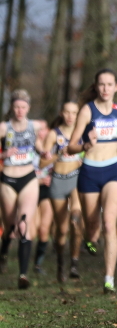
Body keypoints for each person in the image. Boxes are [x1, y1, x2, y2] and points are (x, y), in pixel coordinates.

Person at [67, 68, 117, 294]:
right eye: (101, 84)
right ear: (96, 86)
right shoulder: (86, 111)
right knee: (92, 226)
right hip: (89, 173)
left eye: (109, 84)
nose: (105, 88)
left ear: (116, 87)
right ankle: (90, 240)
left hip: (112, 171)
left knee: (109, 224)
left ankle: (109, 279)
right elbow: (70, 146)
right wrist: (84, 146)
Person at [0, 89, 47, 288]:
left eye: (23, 107)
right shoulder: (3, 127)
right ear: (12, 107)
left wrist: (43, 150)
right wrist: (3, 155)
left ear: (28, 108)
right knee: (10, 226)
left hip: (29, 178)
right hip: (8, 179)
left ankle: (23, 275)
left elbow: (39, 142)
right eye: (17, 106)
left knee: (23, 225)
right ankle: (3, 253)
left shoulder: (35, 125)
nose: (20, 110)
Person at [40, 101, 84, 284]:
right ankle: (60, 263)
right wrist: (58, 154)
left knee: (75, 220)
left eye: (74, 112)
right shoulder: (53, 134)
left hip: (76, 179)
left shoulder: (81, 133)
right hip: (58, 181)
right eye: (67, 112)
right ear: (62, 113)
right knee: (62, 230)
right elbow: (42, 164)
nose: (70, 116)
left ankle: (74, 263)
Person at [33, 124, 54, 274]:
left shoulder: (54, 148)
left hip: (48, 190)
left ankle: (38, 265)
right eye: (38, 129)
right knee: (31, 230)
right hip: (31, 189)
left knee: (44, 228)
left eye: (44, 128)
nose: (42, 132)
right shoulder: (27, 149)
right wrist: (38, 180)